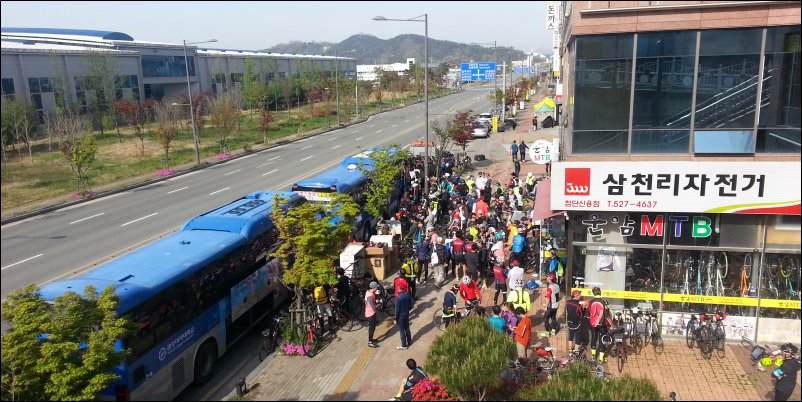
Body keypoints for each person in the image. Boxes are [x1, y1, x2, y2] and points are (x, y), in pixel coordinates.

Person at [588, 287, 611, 361]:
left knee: (593, 338)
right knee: (602, 340)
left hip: (593, 324)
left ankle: (593, 356)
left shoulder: (590, 301)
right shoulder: (604, 301)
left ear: (593, 293)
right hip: (602, 324)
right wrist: (611, 324)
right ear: (600, 292)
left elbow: (588, 314)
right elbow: (607, 314)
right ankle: (601, 359)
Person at [566, 289, 589, 354]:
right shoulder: (579, 306)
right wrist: (584, 308)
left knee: (570, 337)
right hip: (577, 323)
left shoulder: (568, 302)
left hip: (570, 322)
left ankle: (570, 351)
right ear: (576, 296)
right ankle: (576, 352)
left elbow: (572, 305)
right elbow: (582, 315)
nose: (580, 296)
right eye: (579, 295)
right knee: (577, 338)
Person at [395, 282, 413, 350]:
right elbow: (411, 303)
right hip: (406, 314)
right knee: (407, 328)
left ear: (399, 288)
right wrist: (408, 309)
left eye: (397, 287)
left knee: (402, 330)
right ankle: (409, 341)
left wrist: (395, 318)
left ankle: (404, 345)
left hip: (400, 317)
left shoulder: (398, 298)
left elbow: (397, 309)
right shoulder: (407, 294)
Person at [366, 282, 380, 348]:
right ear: (373, 288)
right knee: (371, 328)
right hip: (370, 314)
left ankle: (371, 339)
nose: (377, 288)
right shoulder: (370, 296)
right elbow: (374, 307)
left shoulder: (369, 292)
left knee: (373, 327)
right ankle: (370, 342)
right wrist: (380, 303)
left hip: (372, 312)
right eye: (376, 287)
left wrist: (376, 297)